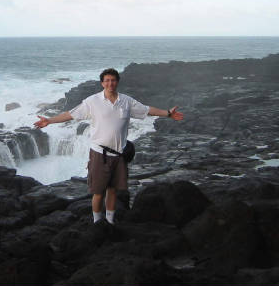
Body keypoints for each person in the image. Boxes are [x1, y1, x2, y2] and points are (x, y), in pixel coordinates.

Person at [34, 68, 183, 225]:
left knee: (112, 190)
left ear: (117, 82)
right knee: (98, 192)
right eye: (107, 80)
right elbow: (71, 114)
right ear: (102, 83)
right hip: (100, 154)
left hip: (119, 155)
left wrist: (167, 113)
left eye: (113, 80)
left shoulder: (126, 101)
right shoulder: (93, 101)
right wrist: (49, 120)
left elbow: (147, 110)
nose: (110, 83)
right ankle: (97, 222)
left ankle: (110, 221)